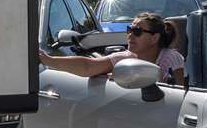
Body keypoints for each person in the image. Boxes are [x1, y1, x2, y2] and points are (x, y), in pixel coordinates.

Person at [37, 12, 185, 87]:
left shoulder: (171, 57)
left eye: (137, 31)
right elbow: (88, 66)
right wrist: (49, 60)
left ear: (154, 38)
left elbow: (177, 94)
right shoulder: (125, 58)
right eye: (129, 30)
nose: (130, 35)